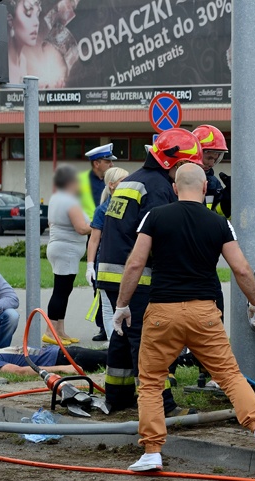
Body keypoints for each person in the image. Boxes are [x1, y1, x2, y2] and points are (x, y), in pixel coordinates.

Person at [112, 164, 255, 472]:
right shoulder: (219, 222)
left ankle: (152, 452)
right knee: (230, 375)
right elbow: (242, 269)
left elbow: (135, 264)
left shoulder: (155, 217)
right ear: (205, 188)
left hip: (161, 313)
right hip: (203, 313)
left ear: (175, 188)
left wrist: (122, 306)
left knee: (151, 382)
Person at [97, 128, 203, 415]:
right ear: (175, 163)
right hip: (136, 276)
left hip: (109, 273)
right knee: (147, 339)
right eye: (187, 166)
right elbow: (161, 235)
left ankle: (117, 396)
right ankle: (163, 406)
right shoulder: (157, 188)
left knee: (122, 333)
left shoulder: (132, 180)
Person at [44, 165, 91, 345]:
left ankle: (60, 331)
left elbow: (51, 222)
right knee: (61, 291)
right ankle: (51, 331)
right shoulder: (70, 201)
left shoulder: (56, 198)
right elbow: (81, 228)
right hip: (66, 250)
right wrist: (97, 225)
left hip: (59, 248)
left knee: (64, 290)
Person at [0, 329, 106, 377]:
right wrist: (65, 368)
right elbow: (18, 371)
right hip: (62, 357)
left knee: (114, 354)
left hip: (60, 353)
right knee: (116, 359)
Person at [85, 166, 129, 341]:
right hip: (105, 266)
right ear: (111, 185)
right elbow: (94, 240)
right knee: (108, 308)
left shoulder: (130, 205)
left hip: (124, 264)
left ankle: (122, 344)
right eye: (122, 182)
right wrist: (89, 266)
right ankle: (113, 344)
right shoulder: (103, 210)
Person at [4, 0, 67, 88]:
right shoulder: (5, 65)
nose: (36, 23)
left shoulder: (23, 60)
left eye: (37, 15)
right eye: (28, 14)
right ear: (10, 20)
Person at [192, 125, 229, 216]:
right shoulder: (180, 180)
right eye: (209, 158)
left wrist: (227, 199)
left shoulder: (213, 183)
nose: (212, 164)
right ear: (196, 154)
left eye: (215, 159)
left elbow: (218, 214)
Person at [77, 144, 117, 220]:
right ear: (96, 164)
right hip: (86, 228)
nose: (112, 165)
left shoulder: (114, 180)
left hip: (108, 227)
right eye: (108, 162)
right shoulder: (79, 180)